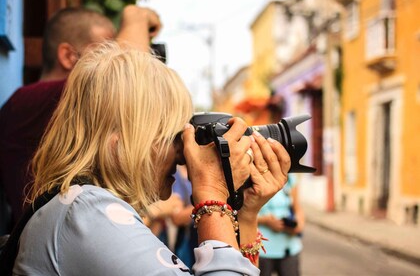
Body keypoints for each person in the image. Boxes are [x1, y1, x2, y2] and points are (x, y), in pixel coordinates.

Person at [12, 41, 291, 275]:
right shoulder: (86, 214)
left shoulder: (80, 210)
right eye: (174, 135)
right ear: (119, 143)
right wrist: (212, 195)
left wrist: (245, 214)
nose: (184, 152)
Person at [0, 5, 160, 229]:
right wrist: (136, 15)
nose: (114, 59)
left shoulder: (34, 106)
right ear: (67, 56)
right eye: (104, 49)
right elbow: (128, 75)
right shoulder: (31, 100)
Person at [257, 174, 305, 276]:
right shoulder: (255, 175)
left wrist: (298, 225)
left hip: (289, 247)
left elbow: (298, 208)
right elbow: (242, 215)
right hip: (262, 249)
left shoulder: (290, 177)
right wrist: (266, 221)